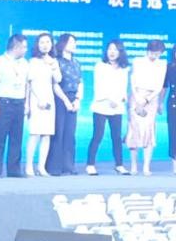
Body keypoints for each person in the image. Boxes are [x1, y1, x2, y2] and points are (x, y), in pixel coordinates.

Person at [85, 39, 129, 175]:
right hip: (101, 105)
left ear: (120, 52)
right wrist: (109, 99)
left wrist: (121, 99)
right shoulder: (100, 66)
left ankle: (119, 165)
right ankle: (90, 164)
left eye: (115, 49)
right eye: (110, 49)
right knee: (97, 135)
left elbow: (123, 87)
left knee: (116, 137)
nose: (112, 52)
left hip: (117, 107)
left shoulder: (124, 68)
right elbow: (99, 86)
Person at [0, 33, 29, 178]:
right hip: (4, 102)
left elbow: (27, 85)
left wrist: (27, 103)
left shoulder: (25, 63)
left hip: (19, 103)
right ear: (16, 47)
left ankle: (14, 170)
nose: (25, 50)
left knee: (16, 139)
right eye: (24, 47)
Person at [125, 38, 167, 175]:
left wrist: (147, 99)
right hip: (136, 96)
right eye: (153, 52)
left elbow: (159, 85)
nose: (155, 55)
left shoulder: (162, 64)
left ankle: (146, 166)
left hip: (152, 98)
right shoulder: (137, 61)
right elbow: (132, 80)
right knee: (134, 129)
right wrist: (137, 97)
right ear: (148, 50)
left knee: (149, 129)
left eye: (158, 53)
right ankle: (133, 166)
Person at [45, 33, 83, 176]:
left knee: (70, 134)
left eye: (75, 42)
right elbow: (55, 84)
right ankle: (54, 167)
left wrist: (78, 99)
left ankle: (69, 166)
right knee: (58, 132)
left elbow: (80, 82)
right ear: (63, 44)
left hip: (74, 99)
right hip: (59, 99)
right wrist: (66, 101)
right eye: (71, 42)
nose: (74, 44)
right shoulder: (56, 61)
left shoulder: (77, 62)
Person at [25, 32, 61, 176]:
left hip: (49, 99)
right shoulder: (33, 61)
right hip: (36, 99)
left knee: (46, 134)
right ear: (37, 45)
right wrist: (38, 99)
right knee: (35, 134)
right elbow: (30, 83)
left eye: (47, 42)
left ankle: (41, 167)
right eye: (42, 42)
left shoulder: (54, 61)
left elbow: (58, 79)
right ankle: (29, 166)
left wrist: (53, 66)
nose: (45, 45)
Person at [165, 43, 176, 175]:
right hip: (173, 102)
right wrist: (159, 103)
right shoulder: (170, 67)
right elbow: (164, 86)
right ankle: (174, 162)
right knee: (173, 132)